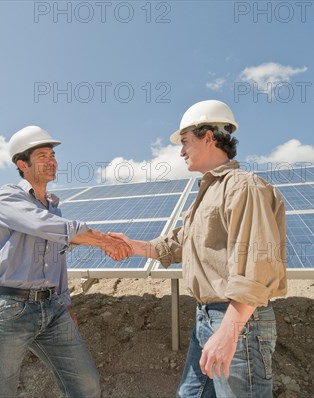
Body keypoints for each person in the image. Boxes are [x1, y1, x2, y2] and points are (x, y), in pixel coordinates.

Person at [112, 100, 287, 397]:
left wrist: (229, 332)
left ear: (208, 136)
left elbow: (257, 265)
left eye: (185, 141)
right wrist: (132, 246)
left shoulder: (244, 187)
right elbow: (181, 243)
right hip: (206, 318)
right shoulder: (208, 193)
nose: (180, 151)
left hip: (237, 321)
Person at [0, 125, 132, 398]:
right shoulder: (8, 197)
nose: (52, 160)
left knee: (86, 385)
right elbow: (49, 226)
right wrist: (106, 241)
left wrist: (65, 302)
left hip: (53, 309)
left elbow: (57, 260)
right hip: (11, 309)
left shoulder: (54, 207)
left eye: (52, 155)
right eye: (42, 155)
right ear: (22, 164)